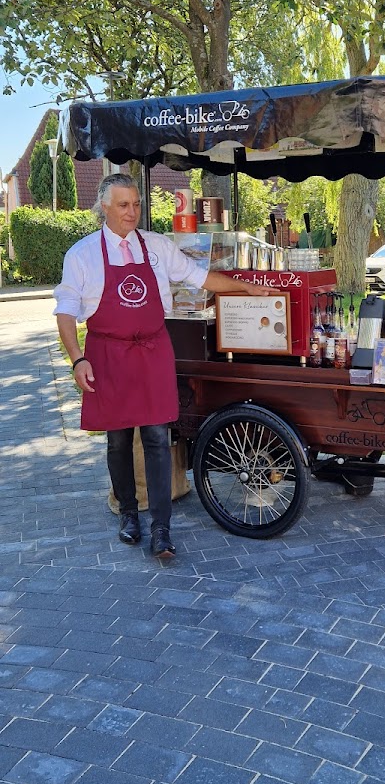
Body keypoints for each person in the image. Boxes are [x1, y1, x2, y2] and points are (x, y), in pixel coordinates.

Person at [54, 172, 274, 559]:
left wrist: (249, 287)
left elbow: (200, 276)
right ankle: (128, 513)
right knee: (119, 439)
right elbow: (67, 312)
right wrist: (78, 359)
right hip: (108, 354)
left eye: (136, 204)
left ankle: (161, 527)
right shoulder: (82, 254)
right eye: (123, 205)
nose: (132, 212)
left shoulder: (156, 246)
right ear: (104, 207)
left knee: (157, 437)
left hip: (153, 351)